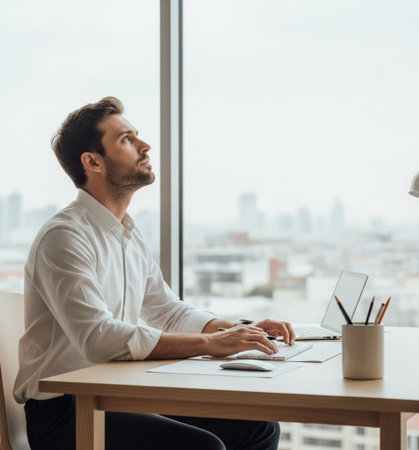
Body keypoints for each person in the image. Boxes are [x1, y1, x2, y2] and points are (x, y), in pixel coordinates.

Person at [13, 96, 295, 450]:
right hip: (65, 412)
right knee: (202, 447)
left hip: (115, 392)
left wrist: (236, 331)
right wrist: (210, 344)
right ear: (93, 161)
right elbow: (98, 337)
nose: (145, 146)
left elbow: (168, 310)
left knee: (258, 427)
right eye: (126, 139)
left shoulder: (127, 233)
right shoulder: (65, 236)